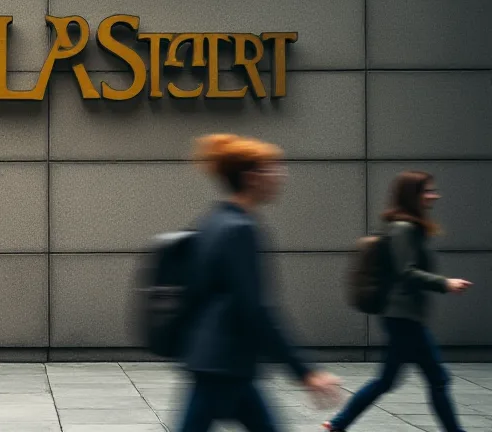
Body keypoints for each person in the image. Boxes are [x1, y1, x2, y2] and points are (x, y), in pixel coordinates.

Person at [178, 134, 341, 432]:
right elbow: (254, 308)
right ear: (252, 177)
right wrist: (305, 372)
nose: (282, 175)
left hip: (215, 361)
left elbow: (199, 293)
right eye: (274, 168)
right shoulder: (241, 229)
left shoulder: (213, 221)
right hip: (226, 364)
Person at [324, 171, 472, 432]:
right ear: (412, 195)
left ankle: (337, 424)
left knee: (387, 380)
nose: (434, 196)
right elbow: (406, 271)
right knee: (437, 378)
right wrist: (444, 283)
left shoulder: (410, 227)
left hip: (403, 316)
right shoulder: (403, 228)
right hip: (403, 316)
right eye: (428, 191)